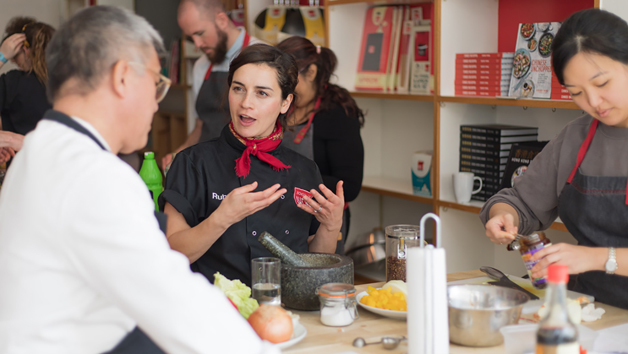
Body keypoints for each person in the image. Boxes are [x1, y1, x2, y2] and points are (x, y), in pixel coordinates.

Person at [0, 6, 278, 353]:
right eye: (156, 83)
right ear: (121, 78)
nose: (157, 105)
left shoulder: (37, 153)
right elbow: (174, 303)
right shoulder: (96, 177)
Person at [160, 43, 344, 286]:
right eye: (238, 89)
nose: (246, 102)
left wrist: (331, 227)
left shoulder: (305, 171)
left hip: (286, 313)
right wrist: (222, 217)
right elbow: (172, 252)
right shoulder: (192, 163)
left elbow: (312, 265)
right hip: (216, 310)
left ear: (285, 103)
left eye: (262, 93)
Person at [480, 8, 628, 309]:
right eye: (577, 93)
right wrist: (503, 214)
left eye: (601, 84)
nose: (593, 103)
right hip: (592, 309)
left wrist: (594, 257)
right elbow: (521, 202)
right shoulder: (577, 137)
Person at [276, 36, 365, 254]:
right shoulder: (283, 105)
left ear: (312, 73)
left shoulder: (337, 113)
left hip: (322, 217)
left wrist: (288, 177)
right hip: (280, 214)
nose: (286, 92)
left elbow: (350, 185)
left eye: (290, 82)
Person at [161, 0, 263, 169]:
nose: (198, 44)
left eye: (200, 33)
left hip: (248, 168)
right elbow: (201, 125)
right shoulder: (202, 65)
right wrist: (181, 153)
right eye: (191, 37)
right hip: (208, 166)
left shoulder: (262, 56)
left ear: (222, 21)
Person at [0, 17, 54, 164]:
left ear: (25, 50)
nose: (13, 61)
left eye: (15, 56)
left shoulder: (13, 83)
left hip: (24, 173)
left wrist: (2, 56)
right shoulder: (70, 83)